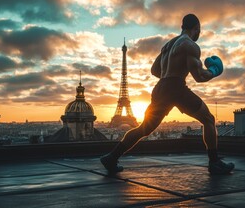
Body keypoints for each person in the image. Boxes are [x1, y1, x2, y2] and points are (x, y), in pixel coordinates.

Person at [100, 14, 234, 175]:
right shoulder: (190, 45)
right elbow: (199, 77)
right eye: (200, 30)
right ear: (196, 28)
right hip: (176, 87)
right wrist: (214, 71)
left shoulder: (168, 45)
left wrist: (169, 76)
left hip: (161, 88)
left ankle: (111, 157)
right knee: (209, 119)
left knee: (144, 128)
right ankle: (215, 162)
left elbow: (154, 70)